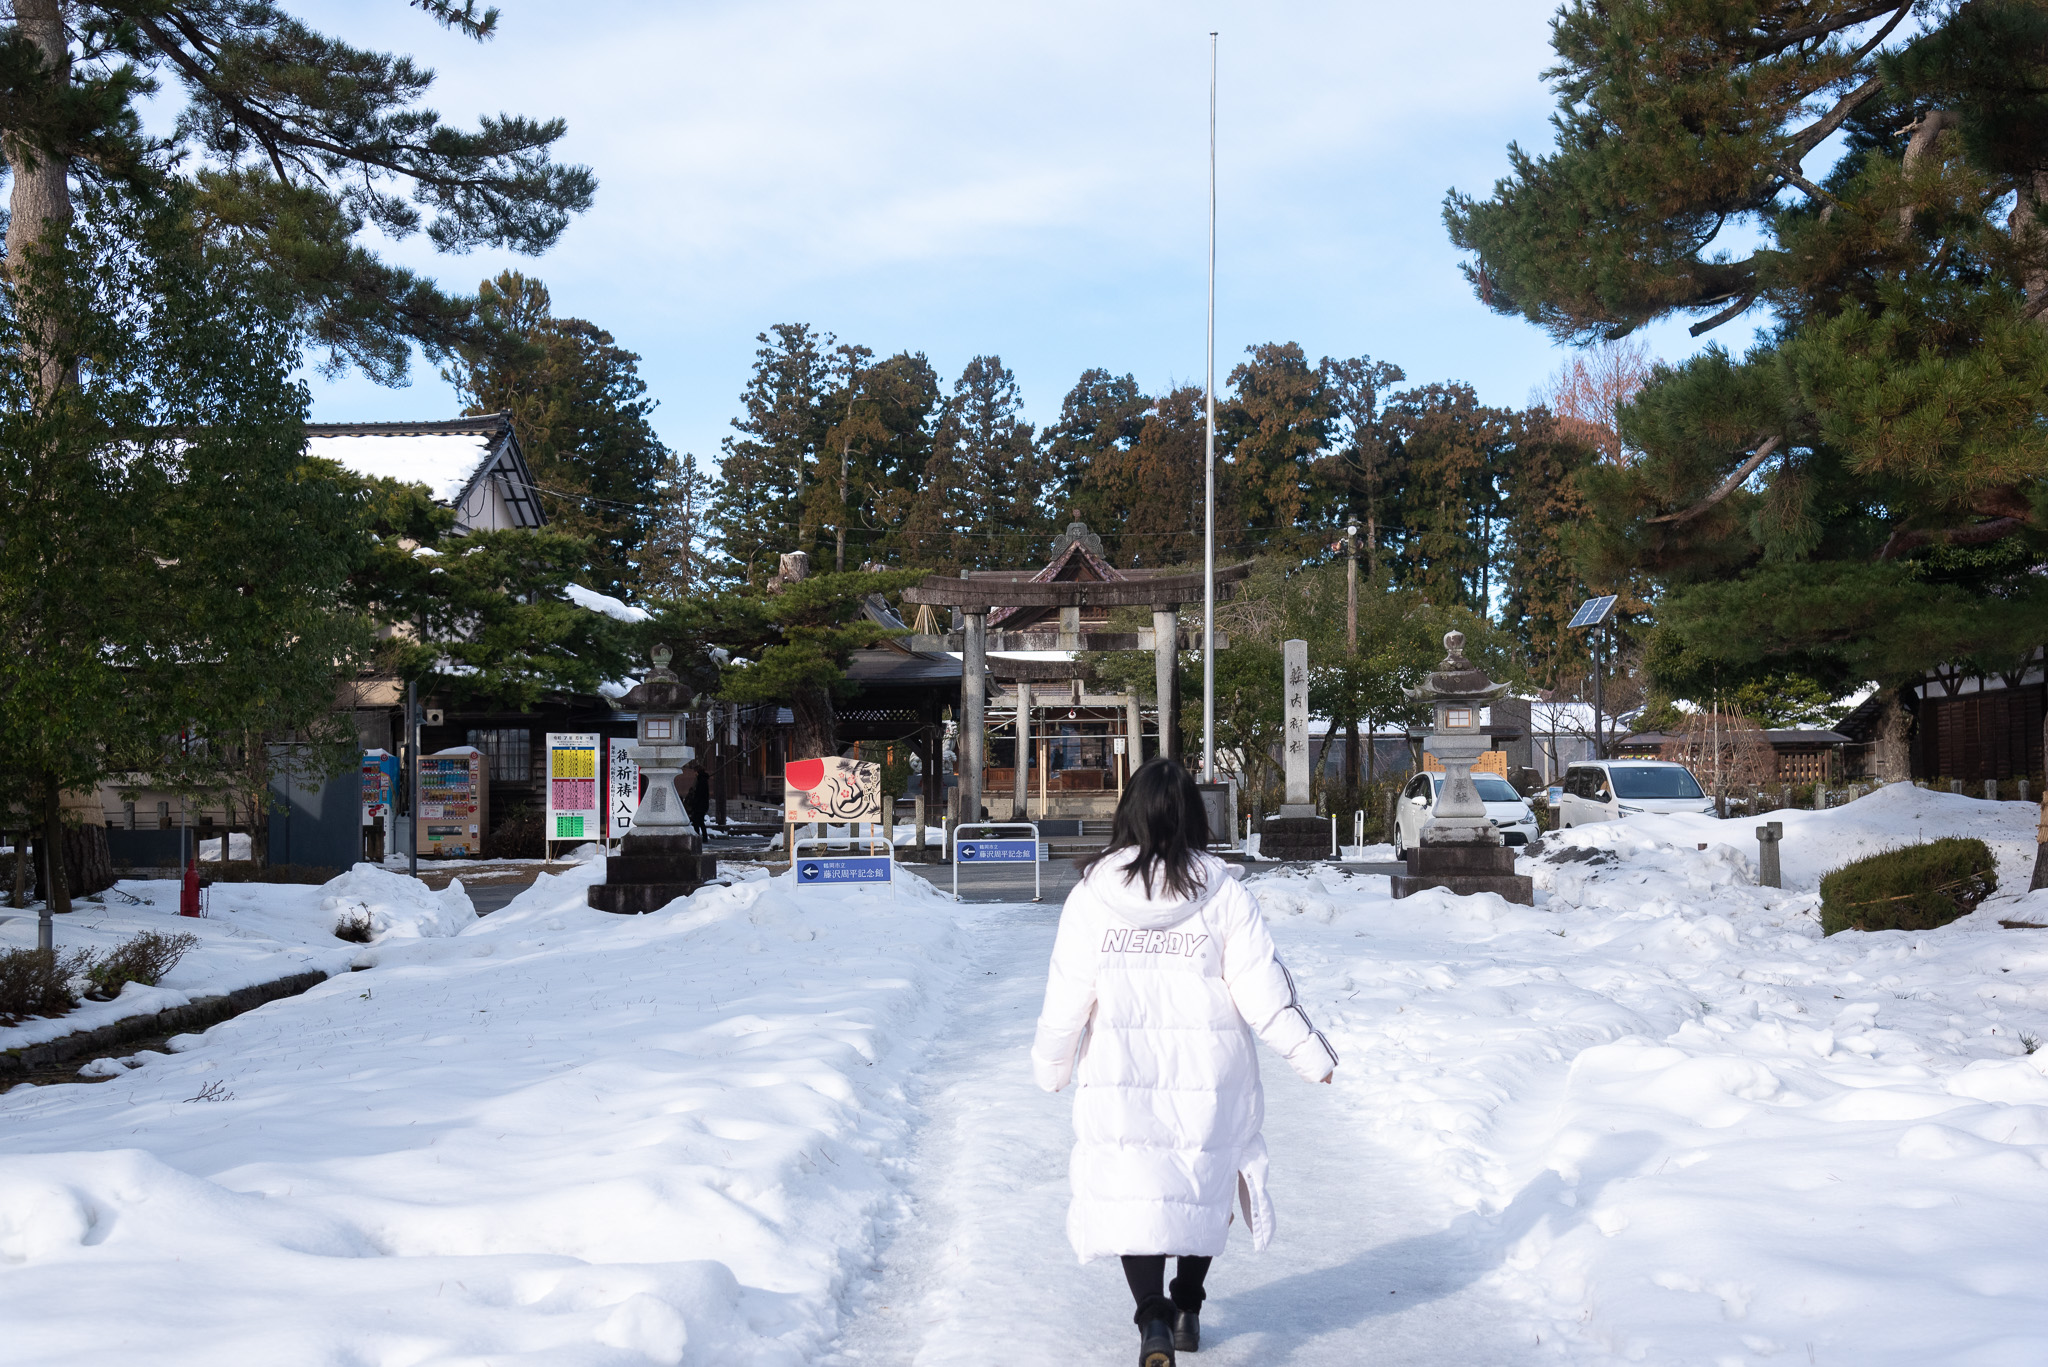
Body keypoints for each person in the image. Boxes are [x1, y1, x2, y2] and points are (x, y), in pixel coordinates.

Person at [1032, 757, 1337, 1366]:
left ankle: (1152, 1318)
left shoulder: (1092, 896)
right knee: (1203, 1184)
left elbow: (1066, 995)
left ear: (1129, 815)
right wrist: (1311, 1054)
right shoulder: (1224, 893)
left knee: (1135, 1190)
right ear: (1195, 816)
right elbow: (1263, 990)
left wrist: (1052, 1065)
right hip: (1210, 1072)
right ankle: (1189, 1306)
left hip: (1121, 1071)